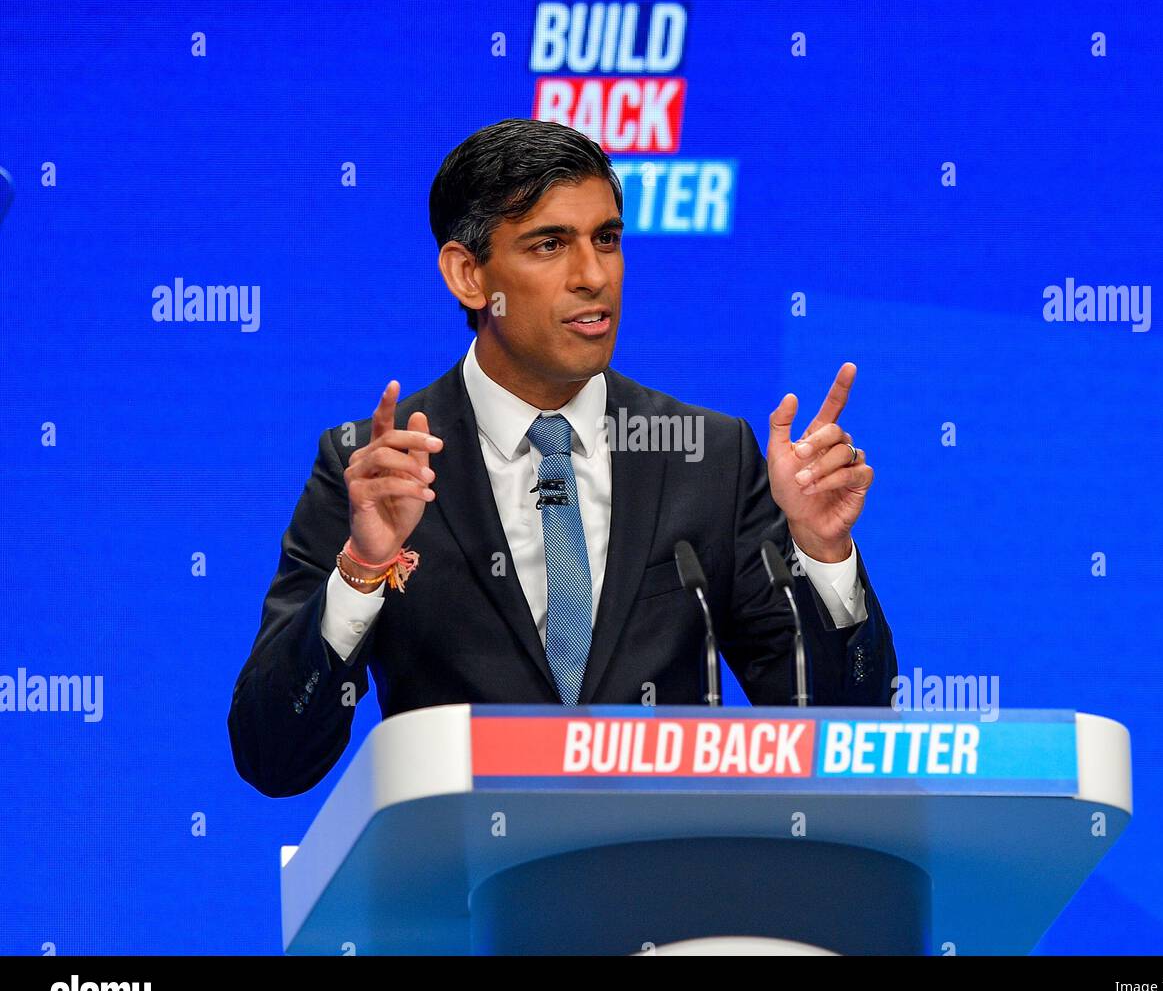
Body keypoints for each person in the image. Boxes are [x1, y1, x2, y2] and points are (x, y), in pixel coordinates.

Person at [228, 118, 897, 797]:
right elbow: (272, 756)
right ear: (468, 275)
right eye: (550, 245)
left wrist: (822, 556)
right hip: (465, 887)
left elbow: (842, 741)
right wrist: (364, 569)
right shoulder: (375, 469)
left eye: (606, 240)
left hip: (668, 882)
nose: (592, 276)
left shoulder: (708, 456)